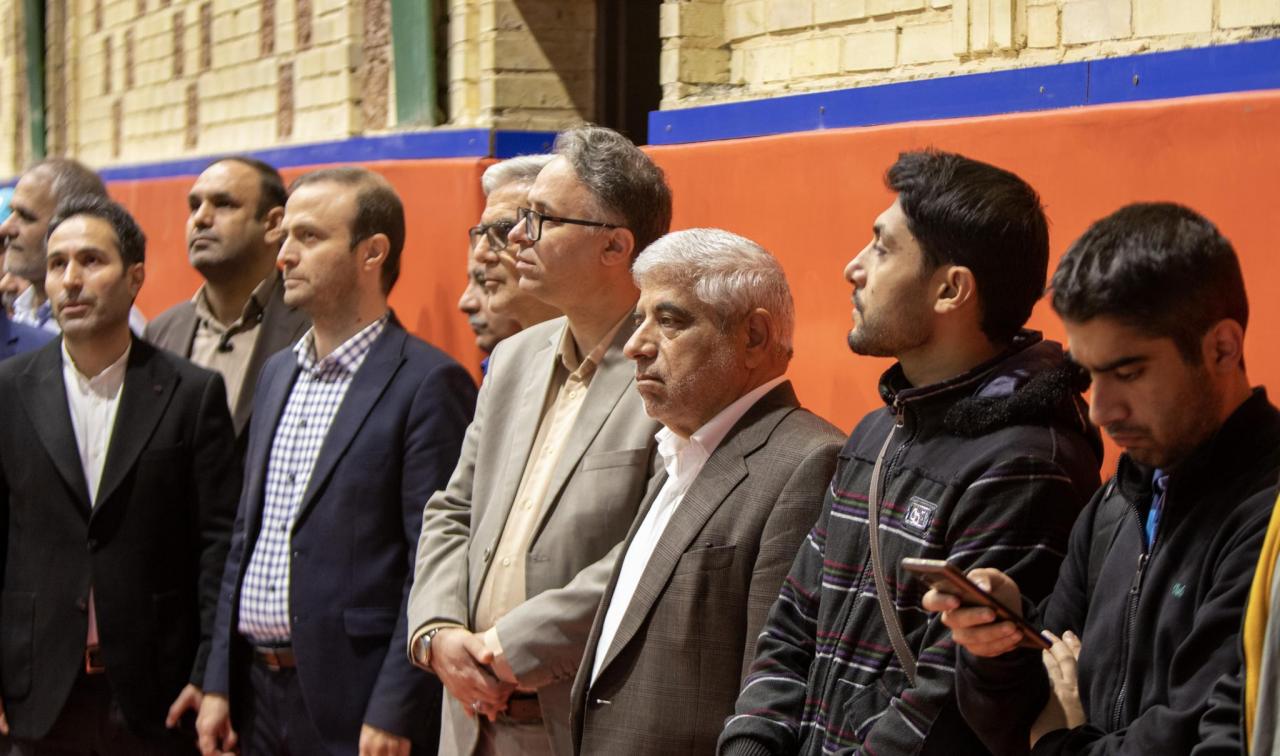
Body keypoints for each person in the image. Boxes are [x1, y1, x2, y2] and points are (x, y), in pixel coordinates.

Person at [718, 149, 1102, 755]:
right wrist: (752, 745)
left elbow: (948, 704)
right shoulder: (879, 431)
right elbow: (793, 622)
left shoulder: (1027, 464)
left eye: (882, 248)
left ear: (951, 289)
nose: (853, 268)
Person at [928, 202, 1280, 755]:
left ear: (1222, 347)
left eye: (1128, 372)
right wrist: (1001, 649)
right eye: (1091, 375)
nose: (1100, 411)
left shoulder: (1268, 515)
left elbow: (1202, 736)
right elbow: (1015, 720)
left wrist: (1058, 741)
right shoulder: (1117, 500)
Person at [406, 125, 672, 756]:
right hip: (470, 715)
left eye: (541, 220)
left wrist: (513, 645)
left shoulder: (666, 370)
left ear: (615, 246)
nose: (517, 238)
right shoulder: (514, 357)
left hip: (576, 719)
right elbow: (453, 507)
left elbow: (658, 551)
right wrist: (437, 631)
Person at [196, 167, 476, 756]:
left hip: (357, 698)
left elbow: (433, 561)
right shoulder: (277, 373)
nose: (284, 256)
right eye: (285, 238)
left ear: (372, 253)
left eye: (309, 237)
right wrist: (218, 681)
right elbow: (246, 537)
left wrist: (397, 704)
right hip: (255, 691)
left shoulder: (428, 383)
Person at [568, 229, 843, 754]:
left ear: (753, 337)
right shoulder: (682, 448)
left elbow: (775, 692)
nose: (635, 345)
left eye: (669, 321)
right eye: (639, 319)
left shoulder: (808, 462)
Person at [0, 195, 240, 754]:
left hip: (158, 692)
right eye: (57, 264)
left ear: (135, 277)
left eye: (91, 261)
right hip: (36, 690)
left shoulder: (191, 392)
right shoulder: (9, 391)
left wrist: (211, 674)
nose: (71, 280)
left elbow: (219, 546)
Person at [147, 157, 309, 438]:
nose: (200, 219)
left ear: (274, 224)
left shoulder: (313, 325)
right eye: (194, 206)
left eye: (223, 204)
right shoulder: (161, 332)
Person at [0, 159, 147, 334]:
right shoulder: (21, 308)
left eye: (26, 217)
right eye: (11, 212)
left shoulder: (112, 328)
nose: (6, 228)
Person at [474, 156, 561, 331]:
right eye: (482, 232)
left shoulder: (621, 348)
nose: (480, 254)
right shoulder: (508, 349)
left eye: (505, 230)